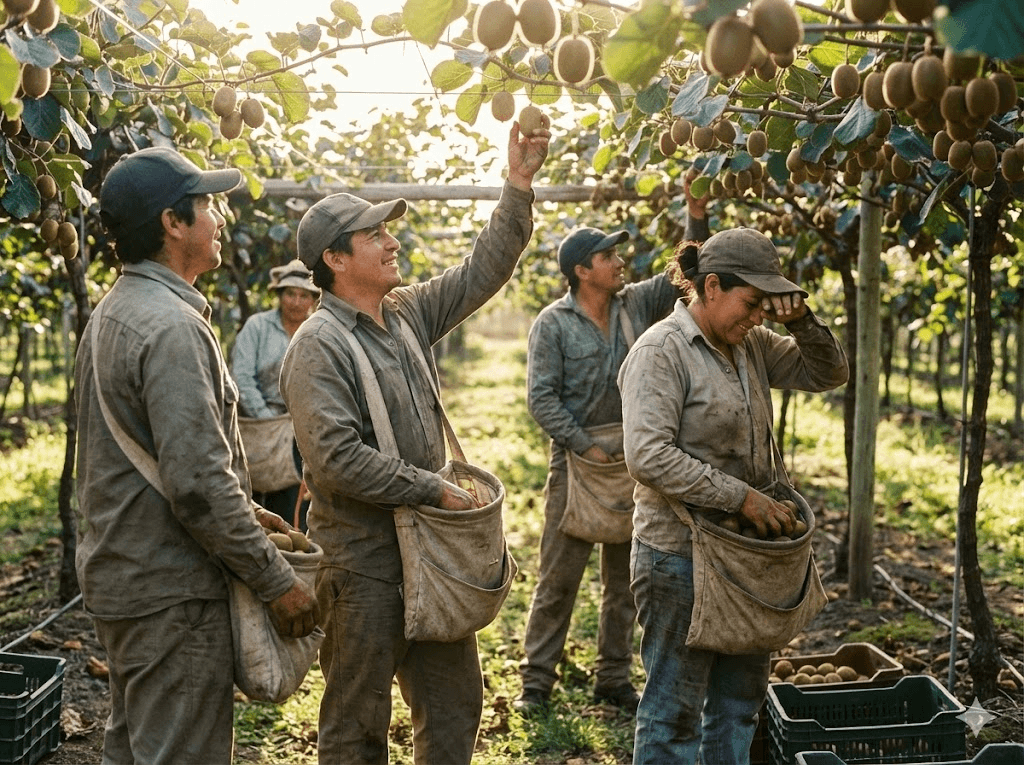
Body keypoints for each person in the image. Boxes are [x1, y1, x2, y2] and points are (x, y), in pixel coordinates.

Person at [279, 121, 550, 765]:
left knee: (455, 708)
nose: (392, 239)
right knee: (356, 724)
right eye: (374, 233)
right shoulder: (317, 347)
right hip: (363, 564)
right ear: (336, 261)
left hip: (432, 554)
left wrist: (516, 187)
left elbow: (483, 271)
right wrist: (435, 488)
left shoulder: (406, 313)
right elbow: (336, 461)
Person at [74, 146, 320, 765]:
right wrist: (274, 579)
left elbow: (168, 460)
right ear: (173, 223)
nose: (218, 218)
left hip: (125, 573)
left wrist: (245, 513)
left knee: (135, 745)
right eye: (207, 205)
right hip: (171, 591)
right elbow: (196, 484)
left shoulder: (113, 312)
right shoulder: (174, 327)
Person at [617, 227, 849, 764]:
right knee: (673, 714)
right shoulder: (661, 352)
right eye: (751, 304)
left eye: (766, 308)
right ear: (711, 286)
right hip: (680, 558)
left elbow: (828, 372)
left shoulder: (754, 346)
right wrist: (742, 499)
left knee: (738, 706)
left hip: (747, 558)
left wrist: (801, 321)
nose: (758, 317)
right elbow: (648, 456)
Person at [514, 194, 711, 716]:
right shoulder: (553, 324)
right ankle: (536, 683)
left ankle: (613, 677)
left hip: (632, 460)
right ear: (582, 271)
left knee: (626, 581)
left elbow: (688, 273)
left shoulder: (636, 305)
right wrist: (585, 444)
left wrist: (697, 211)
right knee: (559, 579)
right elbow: (542, 398)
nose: (620, 261)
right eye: (608, 256)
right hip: (578, 464)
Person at [231, 259, 319, 528]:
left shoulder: (317, 331)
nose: (296, 301)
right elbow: (242, 377)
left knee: (293, 505)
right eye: (290, 294)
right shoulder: (257, 327)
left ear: (313, 300)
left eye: (303, 295)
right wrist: (268, 418)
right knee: (250, 498)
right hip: (258, 427)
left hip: (302, 429)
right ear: (280, 296)